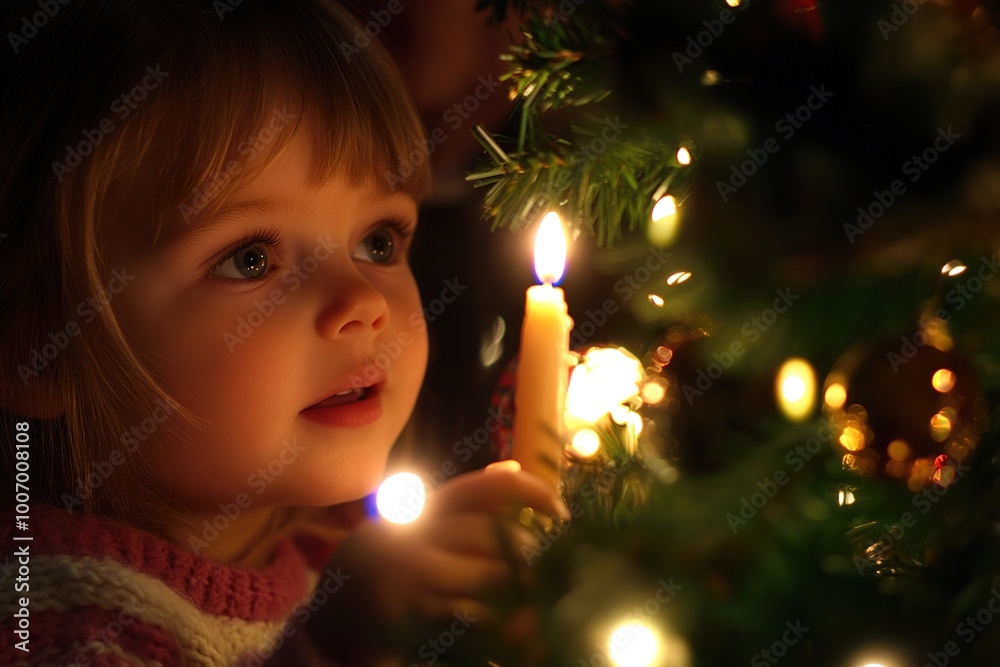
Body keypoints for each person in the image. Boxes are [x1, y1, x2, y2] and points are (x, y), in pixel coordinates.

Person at [0, 1, 568, 665]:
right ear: (37, 350)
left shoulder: (319, 544)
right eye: (250, 259)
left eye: (379, 241)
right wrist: (334, 641)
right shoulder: (57, 626)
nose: (361, 302)